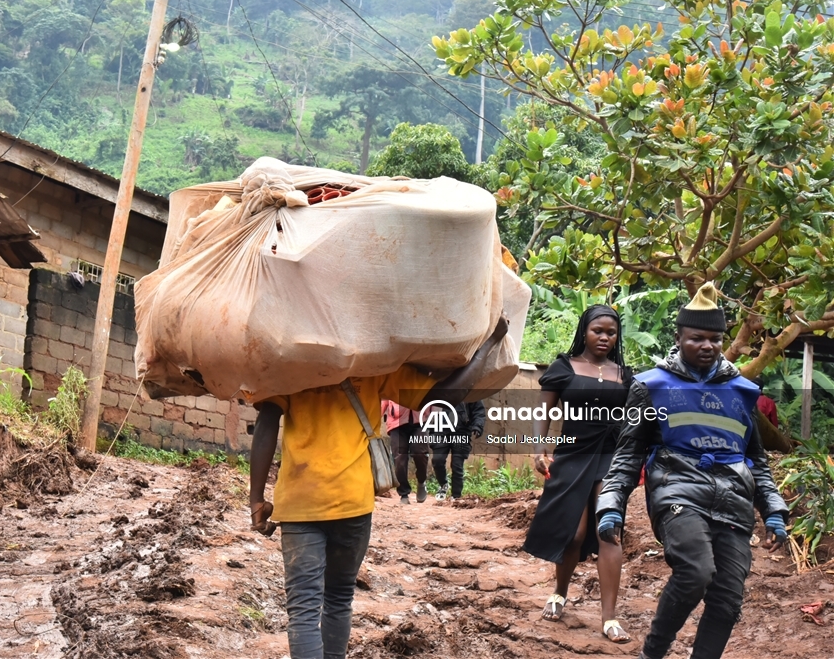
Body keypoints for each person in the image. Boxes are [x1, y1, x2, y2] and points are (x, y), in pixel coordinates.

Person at [249, 318, 509, 659]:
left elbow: (266, 426)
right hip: (353, 504)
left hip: (300, 502)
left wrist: (256, 498)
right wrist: (489, 345)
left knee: (303, 609)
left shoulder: (286, 368)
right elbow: (443, 395)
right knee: (339, 598)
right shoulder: (372, 369)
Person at [596, 282, 789, 659]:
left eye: (716, 339)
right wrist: (611, 507)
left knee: (728, 598)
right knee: (696, 572)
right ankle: (653, 652)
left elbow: (758, 462)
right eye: (697, 338)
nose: (708, 346)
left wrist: (775, 512)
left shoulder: (742, 391)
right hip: (676, 490)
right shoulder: (651, 386)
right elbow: (627, 455)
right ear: (679, 337)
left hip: (734, 499)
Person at [522, 305, 633, 643]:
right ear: (584, 330)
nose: (605, 337)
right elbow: (544, 409)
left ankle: (610, 618)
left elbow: (636, 420)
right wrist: (538, 446)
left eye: (611, 333)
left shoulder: (625, 374)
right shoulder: (563, 367)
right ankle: (559, 592)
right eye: (598, 330)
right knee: (573, 530)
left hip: (610, 456)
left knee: (607, 530)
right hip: (572, 453)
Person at [429, 400, 486, 501]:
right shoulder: (440, 388)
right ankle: (443, 485)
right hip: (441, 430)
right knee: (437, 460)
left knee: (457, 465)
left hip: (462, 431)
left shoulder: (470, 389)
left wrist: (477, 426)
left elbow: (479, 411)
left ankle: (456, 496)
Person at [382, 400, 428, 504]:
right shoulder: (391, 383)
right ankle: (404, 493)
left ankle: (421, 481)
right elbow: (384, 399)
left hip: (420, 421)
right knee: (399, 459)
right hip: (396, 423)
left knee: (420, 453)